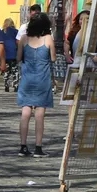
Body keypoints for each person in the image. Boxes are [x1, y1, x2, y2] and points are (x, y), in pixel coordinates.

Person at [17, 13, 56, 157]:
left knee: (25, 113)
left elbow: (18, 58)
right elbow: (53, 58)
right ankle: (38, 148)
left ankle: (23, 146)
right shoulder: (48, 39)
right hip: (43, 80)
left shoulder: (24, 39)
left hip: (27, 80)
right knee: (39, 115)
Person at [0, 18, 20, 92]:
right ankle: (15, 85)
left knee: (7, 70)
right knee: (15, 70)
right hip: (14, 53)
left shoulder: (2, 32)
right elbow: (18, 42)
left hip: (5, 53)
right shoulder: (15, 31)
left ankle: (6, 85)